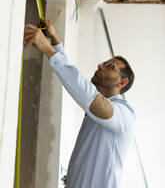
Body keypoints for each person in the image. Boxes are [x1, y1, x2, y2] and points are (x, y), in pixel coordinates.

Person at [24, 19, 136, 188]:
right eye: (104, 63)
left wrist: (48, 50)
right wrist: (56, 43)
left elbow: (89, 96)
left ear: (122, 83)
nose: (101, 65)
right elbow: (79, 87)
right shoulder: (96, 104)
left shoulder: (125, 115)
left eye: (110, 66)